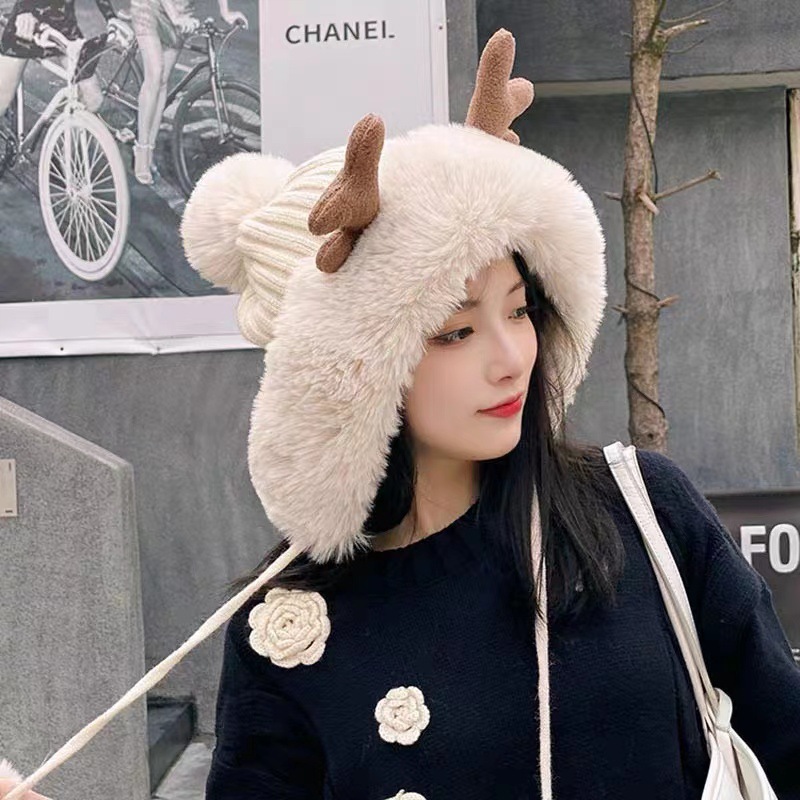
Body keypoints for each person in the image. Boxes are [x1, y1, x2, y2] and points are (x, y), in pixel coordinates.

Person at [1, 27, 798, 800]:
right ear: (354, 370)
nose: (510, 357)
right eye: (454, 330)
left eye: (518, 310)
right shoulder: (287, 629)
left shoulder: (639, 507)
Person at [129, 0, 247, 185]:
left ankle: (150, 146)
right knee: (155, 74)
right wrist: (175, 16)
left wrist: (226, 12)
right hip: (149, 8)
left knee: (163, 82)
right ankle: (141, 148)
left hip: (181, 10)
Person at [0, 0, 131, 118]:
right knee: (2, 102)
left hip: (64, 28)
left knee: (93, 98)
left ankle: (68, 129)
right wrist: (24, 9)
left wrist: (110, 17)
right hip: (26, 27)